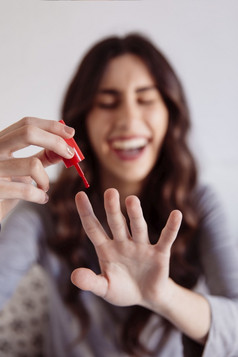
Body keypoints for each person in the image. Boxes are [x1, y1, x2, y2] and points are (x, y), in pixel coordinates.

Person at [0, 33, 238, 357]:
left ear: (170, 113)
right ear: (83, 120)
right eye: (107, 102)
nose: (128, 120)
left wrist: (163, 295)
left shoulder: (200, 204)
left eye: (145, 99)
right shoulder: (42, 206)